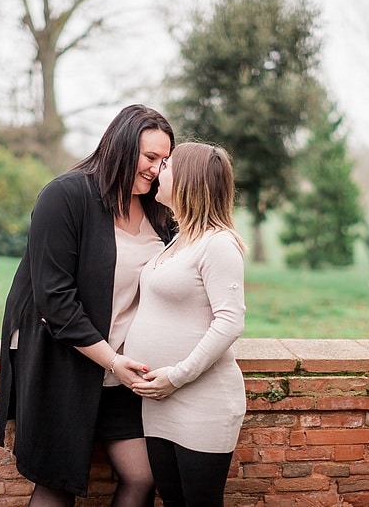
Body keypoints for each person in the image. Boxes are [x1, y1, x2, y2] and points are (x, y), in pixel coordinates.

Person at [0, 104, 176, 506]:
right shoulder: (65, 196)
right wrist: (110, 359)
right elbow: (54, 300)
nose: (156, 169)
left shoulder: (159, 211)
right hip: (63, 359)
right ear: (121, 146)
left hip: (127, 371)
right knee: (57, 484)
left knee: (143, 475)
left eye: (164, 161)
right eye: (150, 157)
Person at [125, 142, 247, 507]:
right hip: (160, 401)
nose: (157, 170)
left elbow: (230, 321)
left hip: (201, 401)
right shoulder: (179, 240)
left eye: (167, 165)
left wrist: (176, 376)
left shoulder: (218, 244)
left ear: (187, 181)